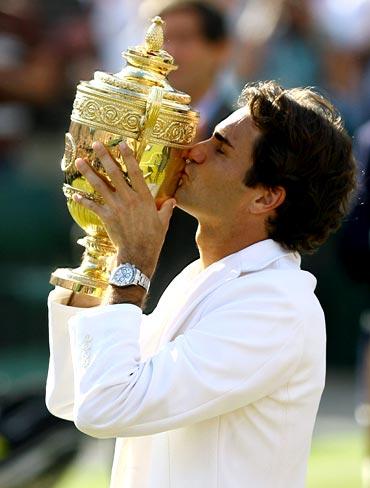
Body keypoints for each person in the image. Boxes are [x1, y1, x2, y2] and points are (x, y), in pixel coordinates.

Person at [46, 81, 356, 487]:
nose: (193, 151)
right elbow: (73, 397)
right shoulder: (204, 278)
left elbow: (106, 406)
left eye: (221, 148)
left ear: (265, 199)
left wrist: (133, 265)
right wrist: (101, 252)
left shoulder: (278, 308)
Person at [142, 0, 233, 310]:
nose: (170, 52)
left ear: (220, 50)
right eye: (163, 39)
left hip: (207, 309)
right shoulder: (128, 123)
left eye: (183, 38)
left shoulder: (246, 135)